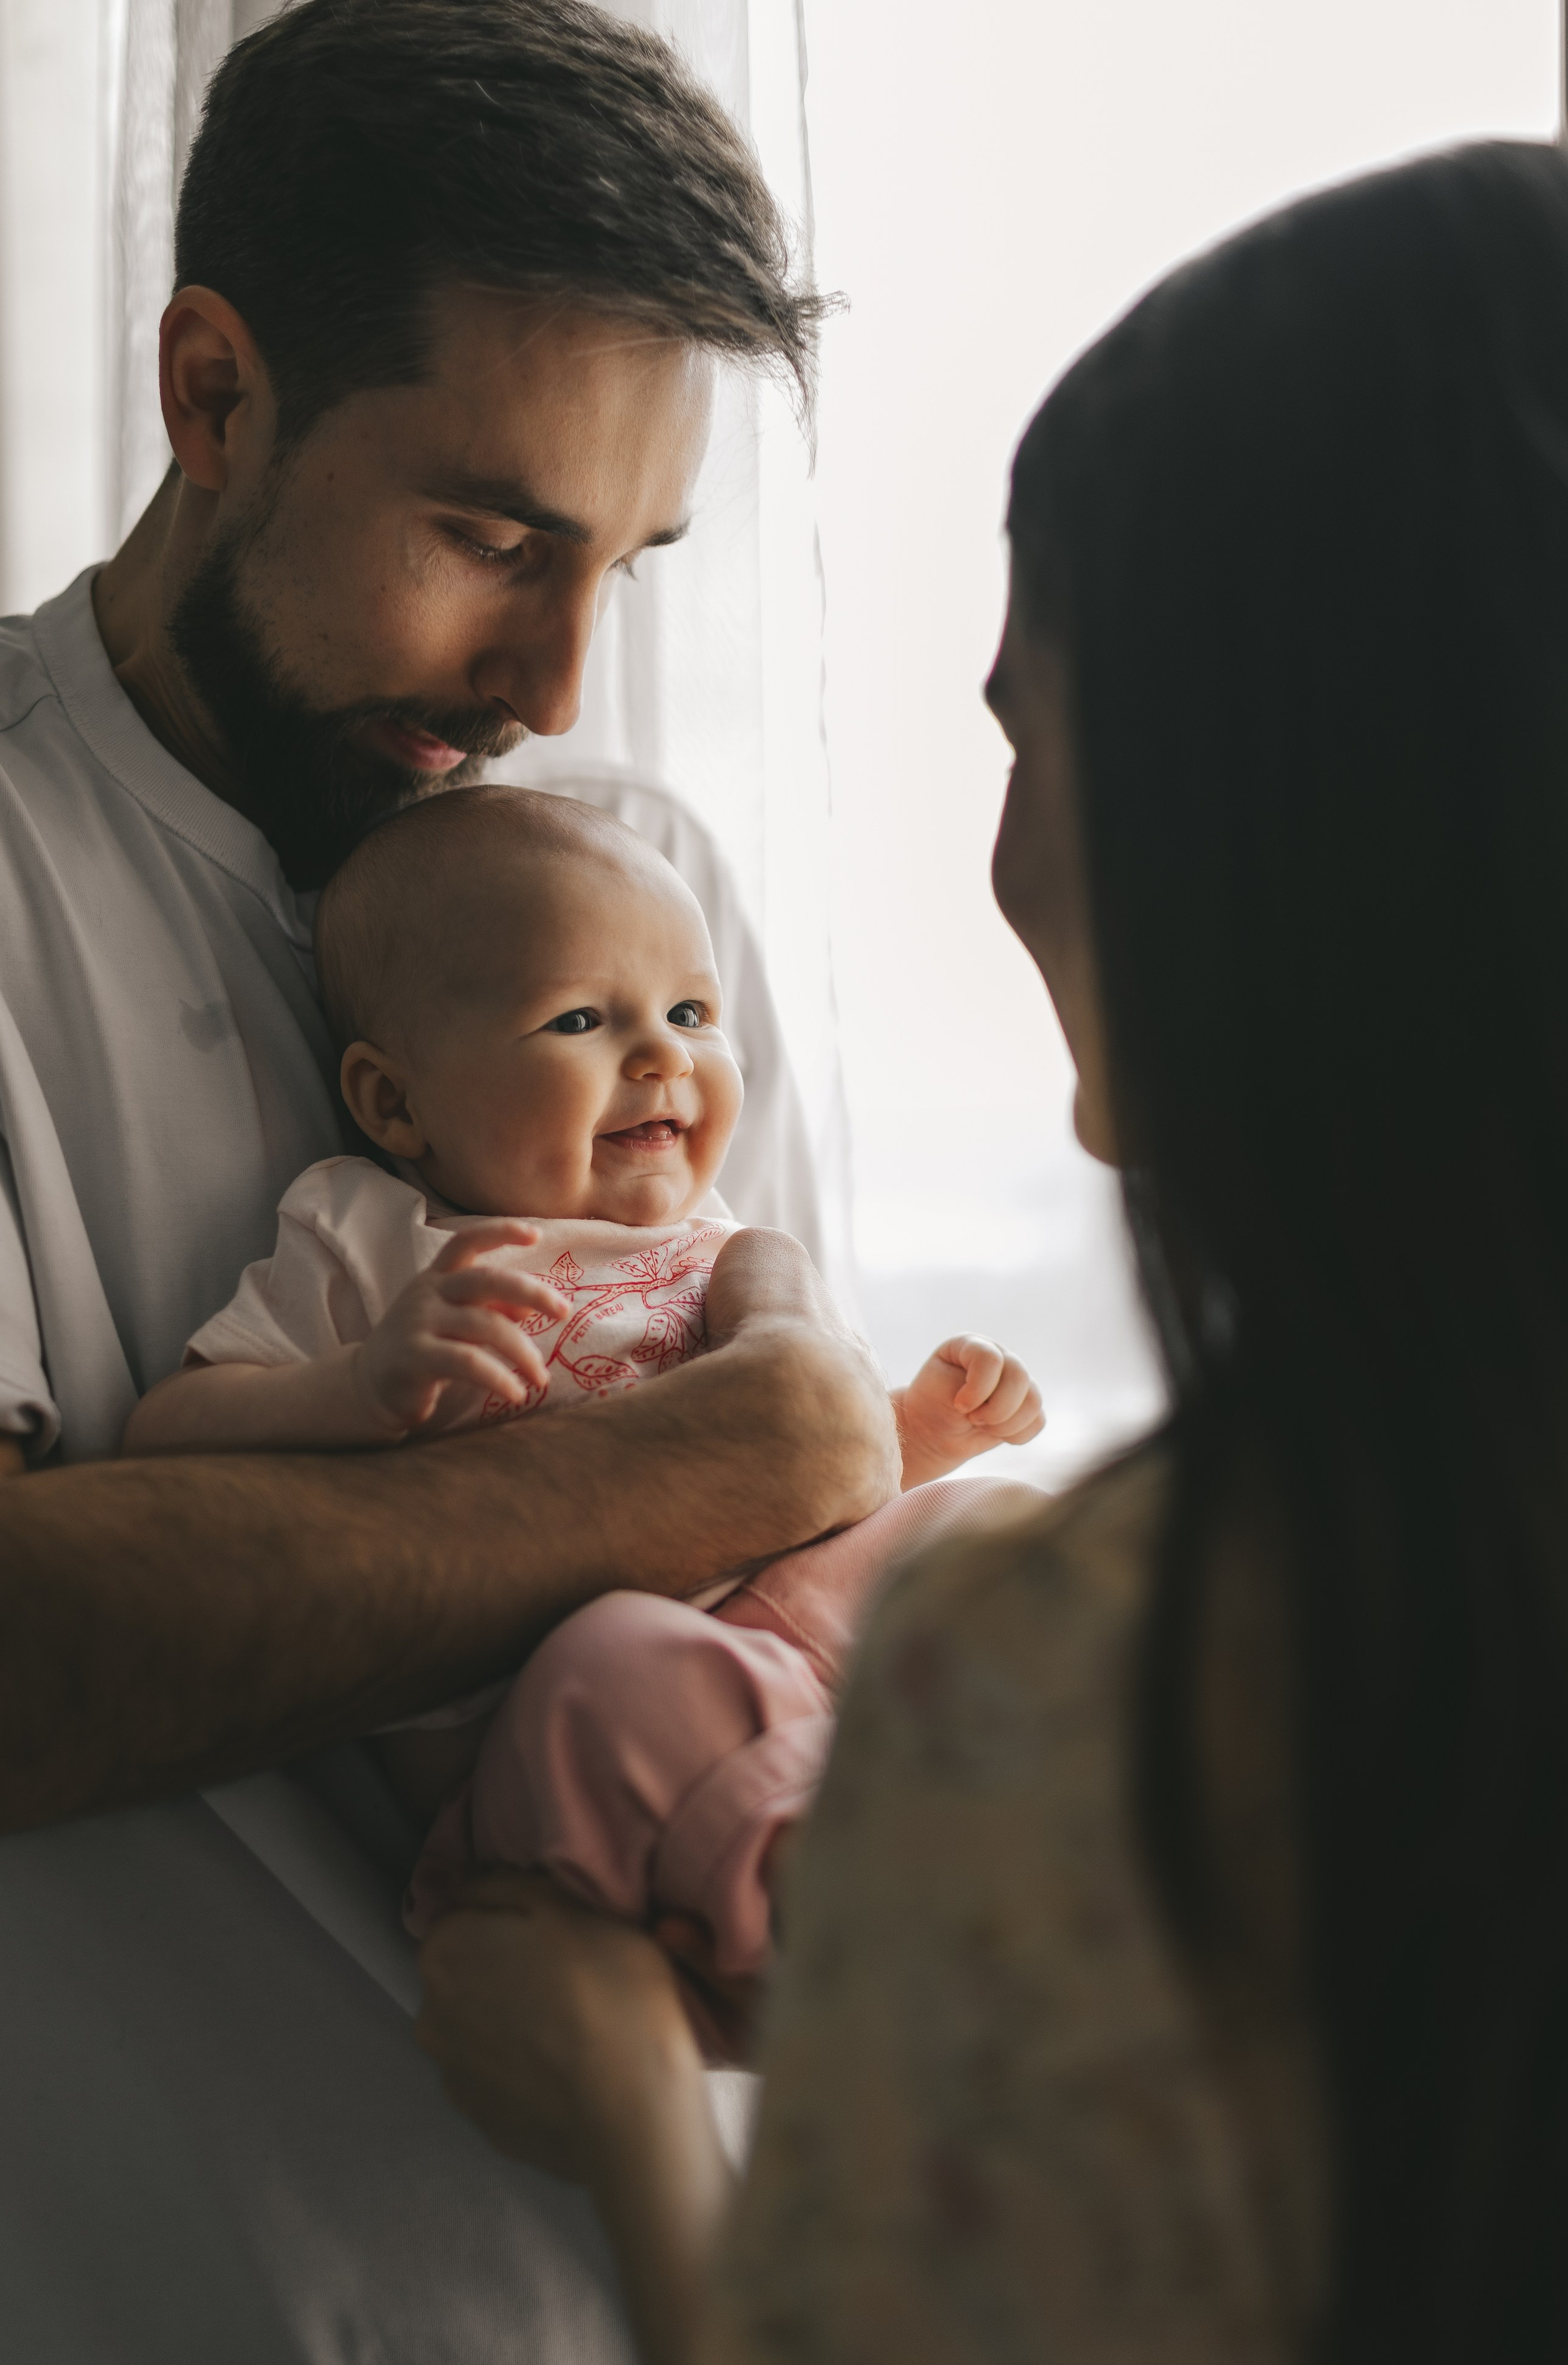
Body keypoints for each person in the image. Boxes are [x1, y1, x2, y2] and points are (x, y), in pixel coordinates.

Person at [416, 139, 1568, 2365]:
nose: (1009, 840)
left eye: (1021, 729)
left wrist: (634, 2107)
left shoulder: (1087, 1702)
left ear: (1233, 819)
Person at [0, 0, 899, 2365]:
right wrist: (696, 1463)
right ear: (213, 394)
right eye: (489, 537)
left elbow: (803, 1558)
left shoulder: (622, 871)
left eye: (629, 568)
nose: (561, 679)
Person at [124, 783, 1045, 1986]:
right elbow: (163, 1434)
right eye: (578, 1022)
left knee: (998, 1537)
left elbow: (817, 1477)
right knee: (629, 1669)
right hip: (545, 1740)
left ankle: (1068, 1809)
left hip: (778, 1649)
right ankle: (851, 1930)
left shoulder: (726, 1251)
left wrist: (916, 1437)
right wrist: (356, 1386)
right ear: (395, 1100)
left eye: (689, 1011)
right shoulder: (373, 1237)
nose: (663, 1054)